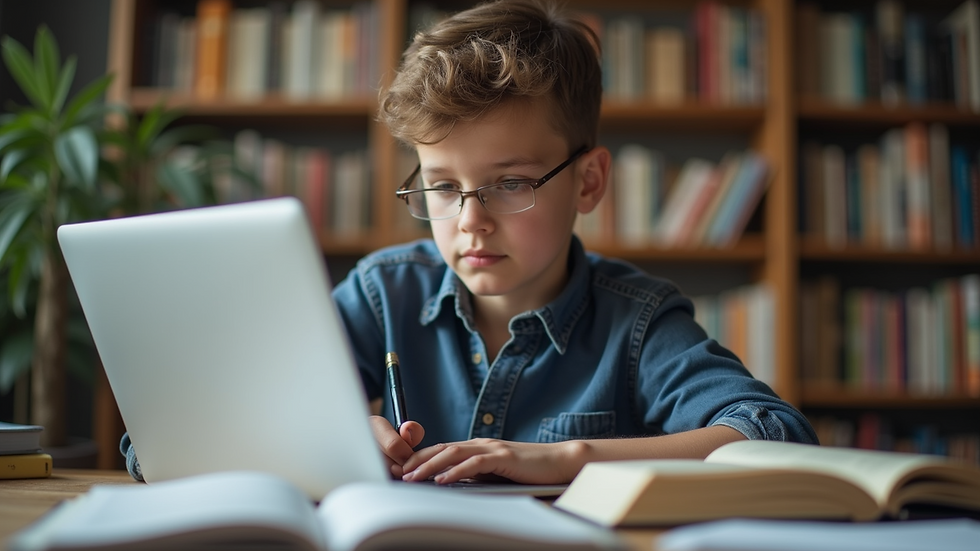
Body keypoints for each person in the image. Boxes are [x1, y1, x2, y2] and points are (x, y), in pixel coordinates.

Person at [121, 0, 816, 484]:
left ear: (589, 181)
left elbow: (772, 431)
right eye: (442, 187)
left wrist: (568, 456)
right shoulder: (380, 293)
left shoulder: (636, 321)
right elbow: (182, 434)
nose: (470, 221)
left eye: (510, 183)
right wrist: (332, 436)